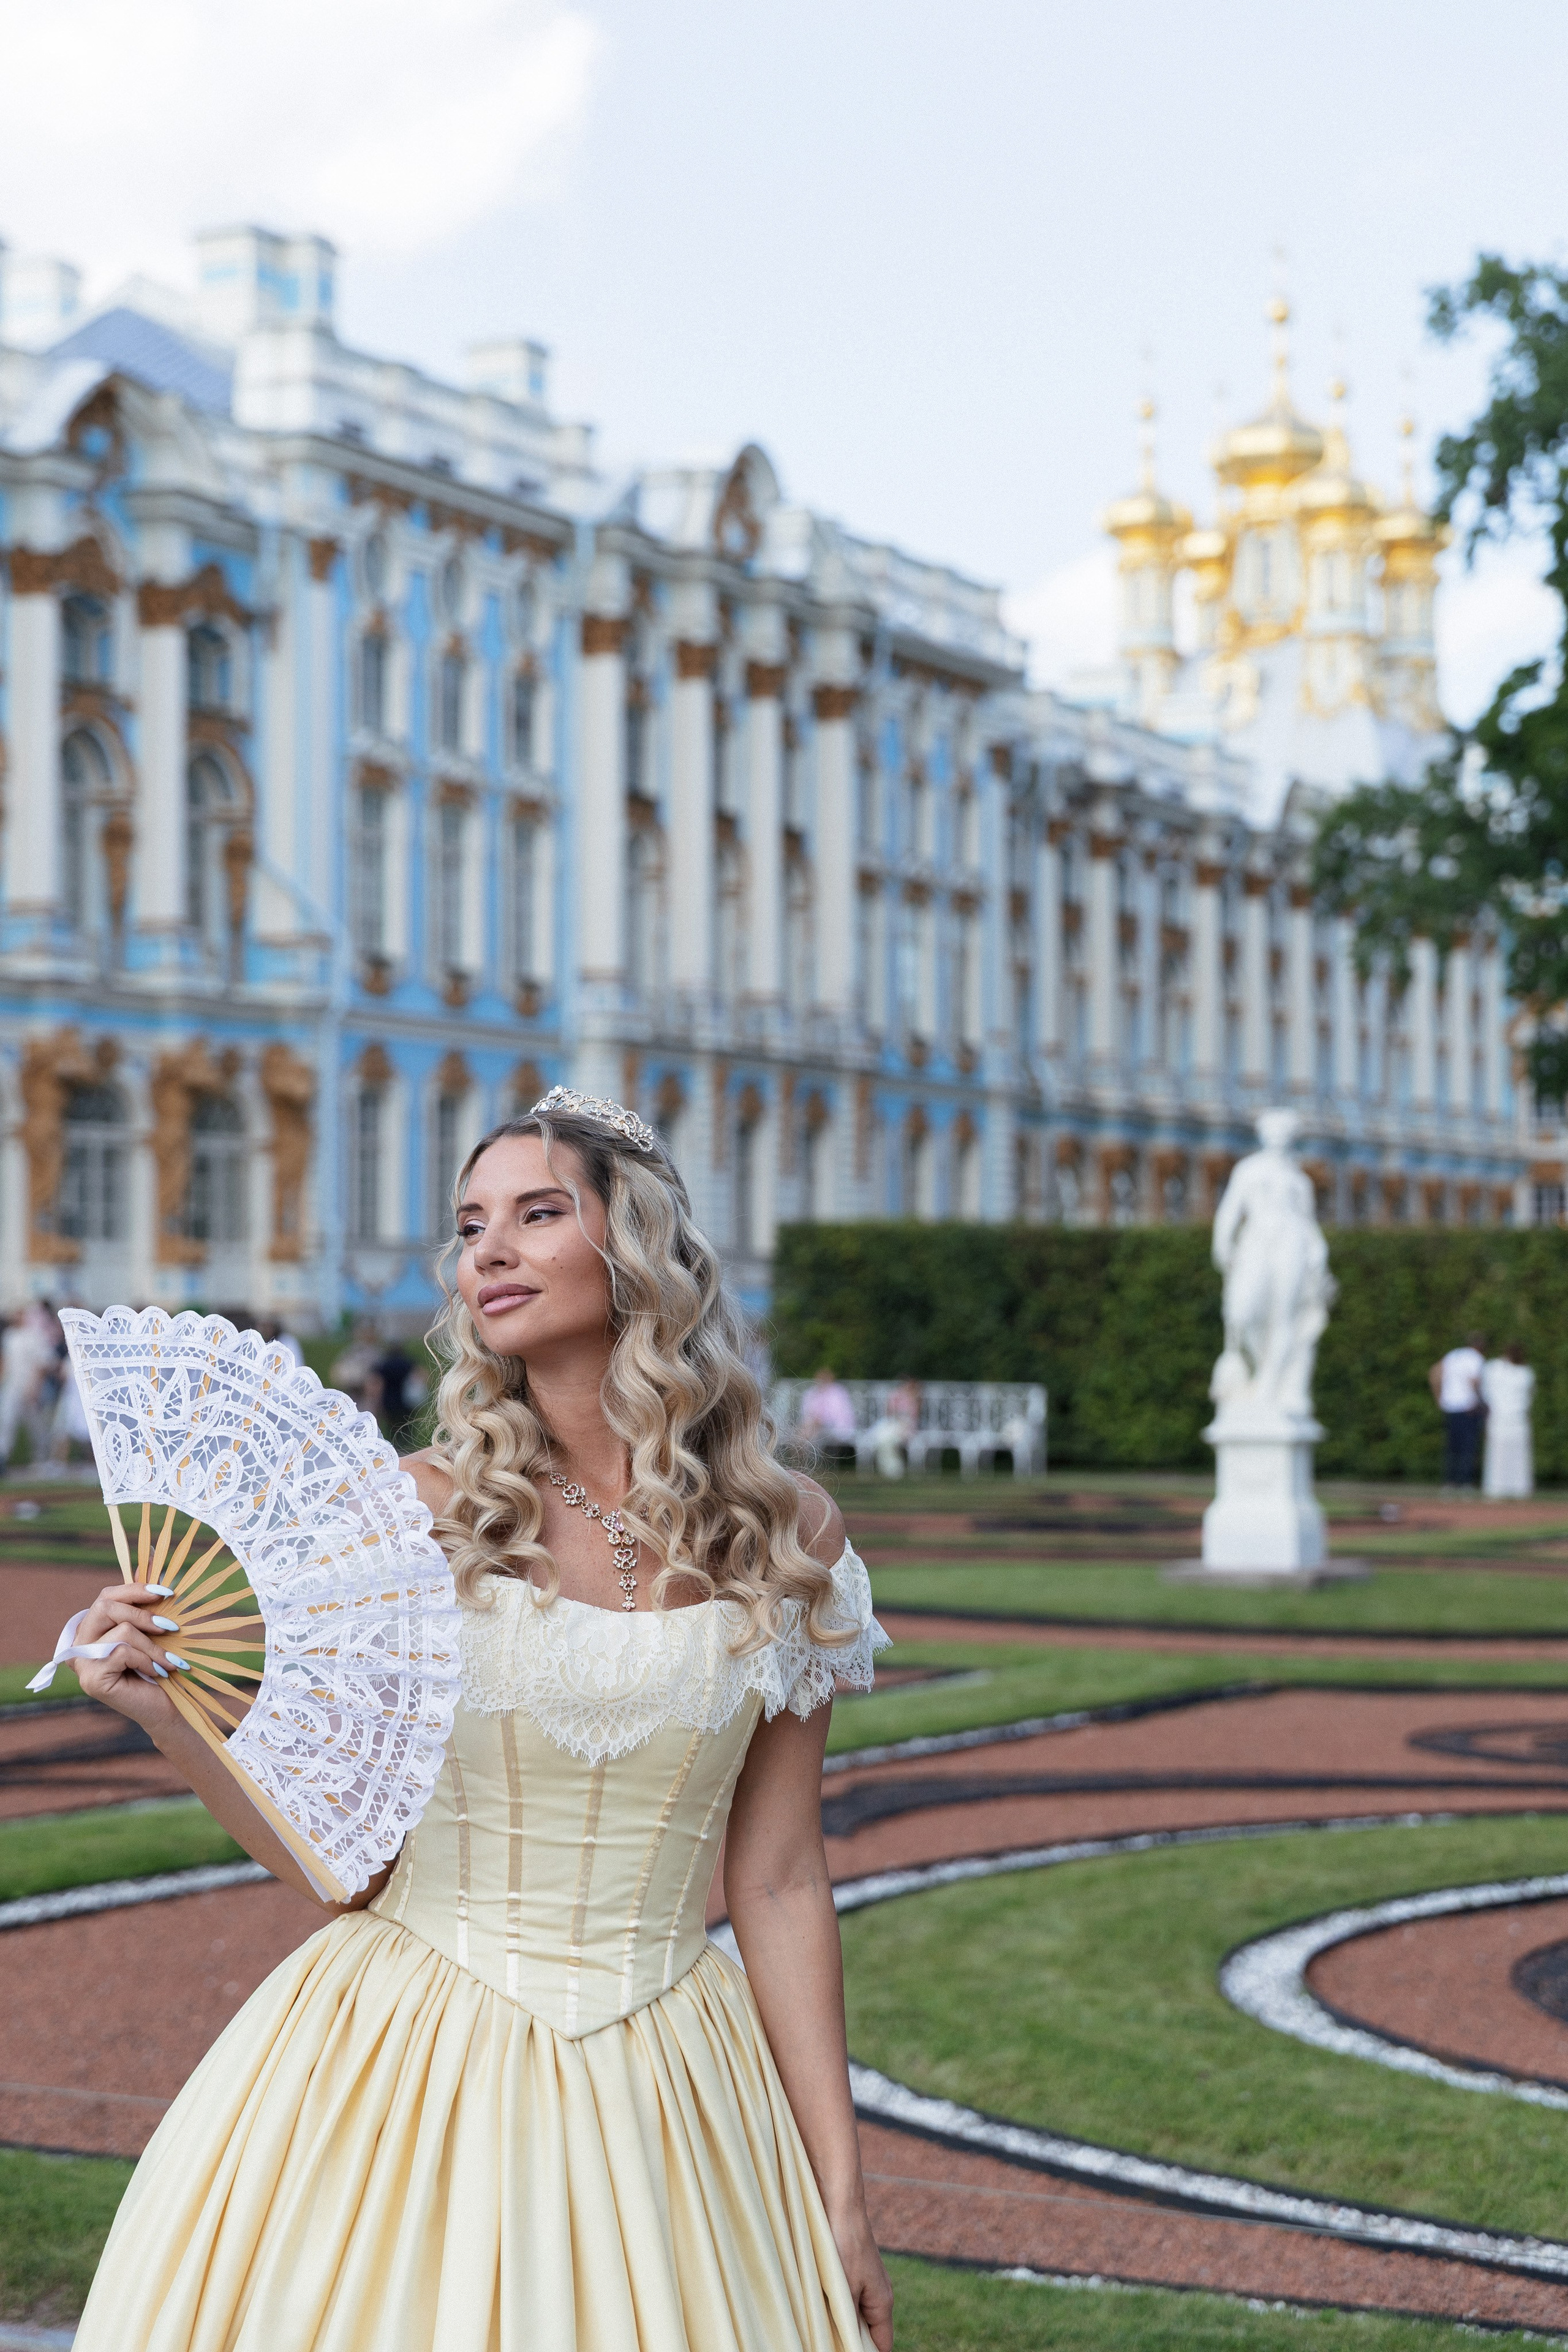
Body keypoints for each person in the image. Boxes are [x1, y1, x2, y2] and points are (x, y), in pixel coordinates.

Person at [59, 1088, 893, 2352]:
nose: (487, 1252)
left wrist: (838, 2187)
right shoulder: (414, 1514)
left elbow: (777, 1879)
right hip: (410, 2059)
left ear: (637, 1248)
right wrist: (168, 1715)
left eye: (537, 1214)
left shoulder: (785, 1533)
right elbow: (349, 1875)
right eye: (468, 1225)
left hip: (675, 2083)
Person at [1430, 1330, 1487, 1488]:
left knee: (1452, 1446)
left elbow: (1435, 1372)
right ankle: (1466, 1481)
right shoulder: (1476, 1358)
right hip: (1468, 1407)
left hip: (1450, 1406)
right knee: (1469, 1446)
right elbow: (1474, 1381)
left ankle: (1450, 1480)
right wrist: (1482, 1401)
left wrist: (1439, 1398)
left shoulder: (1453, 1355)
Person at [1482, 1341, 1536, 1499]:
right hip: (1500, 1415)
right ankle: (1497, 1488)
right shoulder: (1496, 1368)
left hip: (1516, 1417)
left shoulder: (1524, 1372)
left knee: (1517, 1453)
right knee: (1499, 1453)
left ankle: (1518, 1488)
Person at [798, 1365, 858, 1458]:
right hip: (814, 1426)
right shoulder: (812, 1392)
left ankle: (800, 1453)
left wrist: (820, 1420)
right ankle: (801, 1449)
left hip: (836, 1427)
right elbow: (806, 1412)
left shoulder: (838, 1393)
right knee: (808, 1429)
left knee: (806, 1432)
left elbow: (839, 1415)